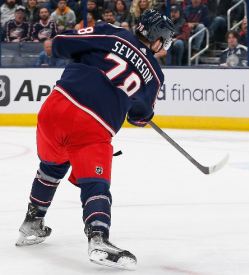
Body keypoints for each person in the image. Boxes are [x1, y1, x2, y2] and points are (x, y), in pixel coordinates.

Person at [15, 9, 175, 271]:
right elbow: (140, 116)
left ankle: (32, 223)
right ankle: (98, 238)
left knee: (51, 167)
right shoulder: (155, 75)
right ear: (157, 41)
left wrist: (87, 55)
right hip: (91, 126)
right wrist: (141, 111)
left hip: (54, 109)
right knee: (95, 184)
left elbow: (59, 44)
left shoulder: (111, 32)